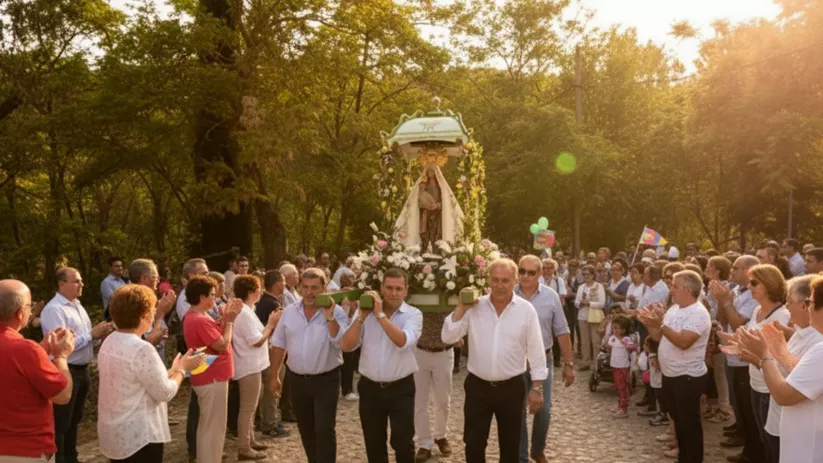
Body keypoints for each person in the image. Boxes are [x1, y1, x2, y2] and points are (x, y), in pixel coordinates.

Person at [441, 258, 547, 463]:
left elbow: (536, 349)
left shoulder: (526, 311)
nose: (499, 285)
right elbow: (448, 337)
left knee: (510, 447)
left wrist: (537, 387)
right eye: (495, 280)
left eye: (505, 280)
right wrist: (461, 308)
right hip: (477, 387)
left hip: (511, 388)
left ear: (515, 281)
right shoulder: (474, 307)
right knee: (473, 444)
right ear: (488, 279)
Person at [97, 284, 204, 462]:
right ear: (144, 315)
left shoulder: (110, 341)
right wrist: (182, 369)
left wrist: (173, 369)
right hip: (139, 437)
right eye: (152, 309)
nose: (154, 313)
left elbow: (139, 379)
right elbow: (165, 392)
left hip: (115, 432)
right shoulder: (141, 348)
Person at [734, 274, 823, 463]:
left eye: (812, 302)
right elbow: (801, 372)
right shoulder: (809, 340)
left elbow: (784, 395)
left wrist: (763, 356)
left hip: (809, 448)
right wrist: (777, 353)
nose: (809, 308)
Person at [341, 269, 423, 463]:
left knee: (403, 442)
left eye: (398, 288)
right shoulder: (366, 313)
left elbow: (402, 341)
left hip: (401, 388)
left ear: (406, 290)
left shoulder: (413, 314)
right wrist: (361, 316)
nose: (393, 293)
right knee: (374, 443)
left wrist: (379, 316)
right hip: (370, 387)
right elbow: (347, 345)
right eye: (389, 288)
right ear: (381, 288)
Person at [268, 268, 350, 463]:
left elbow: (341, 343)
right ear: (299, 288)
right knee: (306, 428)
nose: (310, 292)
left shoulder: (336, 311)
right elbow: (279, 344)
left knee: (324, 428)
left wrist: (329, 316)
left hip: (326, 379)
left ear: (324, 289)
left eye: (315, 288)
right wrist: (274, 376)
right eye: (305, 287)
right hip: (298, 381)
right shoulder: (289, 312)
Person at [40, 267, 115, 463]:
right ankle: (61, 459)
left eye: (81, 280)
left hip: (82, 369)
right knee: (62, 422)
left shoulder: (78, 306)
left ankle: (72, 457)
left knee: (75, 419)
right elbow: (62, 344)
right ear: (61, 284)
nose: (81, 284)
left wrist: (98, 336)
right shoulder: (54, 310)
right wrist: (92, 334)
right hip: (66, 369)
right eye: (76, 281)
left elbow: (85, 339)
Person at [639, 270, 712, 463]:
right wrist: (650, 322)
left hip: (687, 377)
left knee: (689, 424)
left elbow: (683, 342)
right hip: (670, 375)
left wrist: (660, 324)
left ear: (687, 290)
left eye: (674, 286)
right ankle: (683, 457)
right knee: (678, 422)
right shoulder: (674, 309)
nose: (671, 290)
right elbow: (658, 337)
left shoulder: (698, 313)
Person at [0, 279, 74, 462]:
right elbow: (62, 395)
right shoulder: (24, 349)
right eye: (29, 305)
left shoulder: (26, 350)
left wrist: (40, 352)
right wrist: (60, 357)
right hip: (24, 451)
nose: (31, 309)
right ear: (20, 313)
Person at [515, 255, 575, 463]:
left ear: (540, 274)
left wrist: (568, 363)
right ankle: (521, 456)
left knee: (544, 410)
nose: (525, 276)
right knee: (517, 412)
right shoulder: (508, 294)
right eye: (522, 271)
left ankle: (537, 449)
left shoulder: (550, 297)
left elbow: (562, 331)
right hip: (515, 362)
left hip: (544, 359)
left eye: (531, 272)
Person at [183, 275, 242, 463]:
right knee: (214, 428)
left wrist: (225, 318)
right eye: (212, 295)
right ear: (202, 298)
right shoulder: (199, 319)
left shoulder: (196, 316)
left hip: (207, 375)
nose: (215, 298)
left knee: (207, 426)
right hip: (211, 377)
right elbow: (221, 344)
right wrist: (230, 321)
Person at [737, 265, 790, 463]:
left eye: (754, 283)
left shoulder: (782, 317)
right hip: (755, 381)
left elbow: (782, 360)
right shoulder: (758, 310)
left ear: (769, 284)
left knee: (772, 441)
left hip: (771, 387)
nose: (749, 286)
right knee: (762, 437)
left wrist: (754, 359)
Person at [711, 255, 762, 461]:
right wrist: (722, 303)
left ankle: (753, 451)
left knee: (748, 409)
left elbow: (739, 323)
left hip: (745, 360)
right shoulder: (735, 290)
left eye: (736, 267)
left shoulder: (752, 296)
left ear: (749, 270)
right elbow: (724, 320)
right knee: (738, 404)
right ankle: (746, 443)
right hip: (732, 354)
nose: (732, 271)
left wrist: (725, 302)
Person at [231, 275, 279, 460]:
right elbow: (257, 341)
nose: (260, 292)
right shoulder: (243, 313)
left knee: (251, 406)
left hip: (254, 364)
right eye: (258, 289)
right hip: (247, 365)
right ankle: (244, 447)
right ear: (251, 292)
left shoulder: (248, 309)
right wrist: (271, 324)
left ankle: (249, 439)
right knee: (247, 408)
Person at [407, 290, 456, 459]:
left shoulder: (450, 291)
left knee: (443, 400)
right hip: (420, 351)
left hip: (444, 351)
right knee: (420, 401)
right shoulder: (417, 290)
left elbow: (461, 317)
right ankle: (424, 443)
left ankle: (441, 436)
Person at [254, 270, 290, 438]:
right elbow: (279, 329)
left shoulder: (263, 301)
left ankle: (267, 420)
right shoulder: (272, 304)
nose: (285, 285)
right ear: (277, 284)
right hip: (272, 350)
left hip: (265, 350)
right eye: (283, 281)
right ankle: (270, 423)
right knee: (273, 387)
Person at [129, 258, 177, 363]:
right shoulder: (133, 302)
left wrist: (164, 310)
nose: (158, 281)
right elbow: (149, 340)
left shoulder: (149, 298)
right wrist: (159, 315)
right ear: (144, 279)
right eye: (155, 277)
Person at [575, 264, 606, 371]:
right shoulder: (581, 287)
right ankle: (585, 362)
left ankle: (596, 362)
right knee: (584, 341)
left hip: (595, 316)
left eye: (588, 274)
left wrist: (590, 303)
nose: (586, 276)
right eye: (584, 274)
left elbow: (602, 303)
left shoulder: (599, 286)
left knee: (596, 340)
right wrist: (580, 303)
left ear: (593, 275)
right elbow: (576, 302)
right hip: (583, 316)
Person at [604, 315, 635, 418]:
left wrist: (627, 345)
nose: (615, 330)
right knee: (617, 386)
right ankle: (620, 404)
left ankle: (623, 407)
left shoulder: (626, 339)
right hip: (615, 365)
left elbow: (632, 348)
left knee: (622, 386)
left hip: (623, 366)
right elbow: (609, 347)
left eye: (618, 328)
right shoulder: (612, 338)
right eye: (614, 328)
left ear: (623, 330)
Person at [101, 256, 126, 321]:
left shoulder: (123, 281)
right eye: (117, 266)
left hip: (124, 316)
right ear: (110, 268)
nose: (120, 268)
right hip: (112, 317)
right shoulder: (106, 282)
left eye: (121, 266)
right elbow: (115, 299)